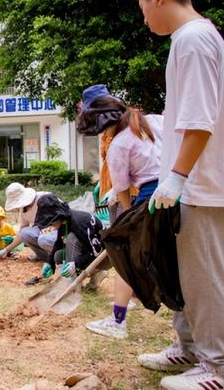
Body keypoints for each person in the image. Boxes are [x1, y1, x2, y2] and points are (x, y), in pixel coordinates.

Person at [133, 0, 224, 389]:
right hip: (195, 184)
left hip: (205, 184)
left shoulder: (194, 41)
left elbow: (199, 122)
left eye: (143, 9)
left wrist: (178, 176)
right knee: (183, 275)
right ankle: (190, 348)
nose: (145, 20)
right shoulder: (194, 39)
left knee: (207, 277)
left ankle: (218, 369)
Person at [76, 84, 163, 339]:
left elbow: (124, 192)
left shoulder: (119, 144)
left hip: (149, 196)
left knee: (123, 253)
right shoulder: (154, 122)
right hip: (176, 192)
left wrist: (127, 221)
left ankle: (117, 322)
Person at [34, 194, 106, 282]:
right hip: (88, 252)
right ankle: (77, 277)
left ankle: (76, 281)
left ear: (57, 216)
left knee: (72, 238)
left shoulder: (79, 223)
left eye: (51, 222)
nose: (50, 225)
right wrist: (50, 263)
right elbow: (58, 243)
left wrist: (75, 264)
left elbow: (97, 251)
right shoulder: (64, 221)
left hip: (103, 257)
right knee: (57, 256)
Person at [0, 183, 59, 262]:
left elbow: (64, 215)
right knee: (25, 233)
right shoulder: (24, 209)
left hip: (58, 230)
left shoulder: (45, 198)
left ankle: (61, 257)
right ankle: (45, 257)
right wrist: (6, 250)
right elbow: (22, 232)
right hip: (43, 231)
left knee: (43, 239)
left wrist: (54, 227)